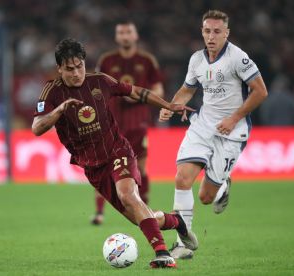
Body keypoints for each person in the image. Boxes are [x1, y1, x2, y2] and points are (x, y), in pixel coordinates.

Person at [31, 38, 197, 268]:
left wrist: (168, 105)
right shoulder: (52, 92)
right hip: (93, 166)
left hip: (118, 151)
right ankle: (176, 220)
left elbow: (136, 92)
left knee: (128, 195)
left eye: (80, 66)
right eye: (70, 69)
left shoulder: (100, 81)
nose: (77, 73)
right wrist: (59, 110)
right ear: (59, 68)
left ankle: (162, 253)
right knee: (141, 216)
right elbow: (37, 128)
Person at [159, 10, 268, 259]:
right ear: (202, 32)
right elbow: (187, 90)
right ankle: (182, 244)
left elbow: (261, 92)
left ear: (226, 33)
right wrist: (170, 106)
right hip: (203, 125)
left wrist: (233, 118)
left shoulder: (238, 58)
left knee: (206, 197)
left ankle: (222, 185)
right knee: (181, 179)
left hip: (232, 131)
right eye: (207, 31)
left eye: (217, 31)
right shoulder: (196, 59)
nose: (211, 36)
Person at [92, 20, 164, 225]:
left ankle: (145, 209)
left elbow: (158, 90)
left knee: (140, 168)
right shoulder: (106, 60)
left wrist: (137, 95)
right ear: (116, 37)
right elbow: (96, 87)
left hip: (137, 123)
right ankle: (99, 212)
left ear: (135, 36)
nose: (124, 36)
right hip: (110, 125)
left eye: (128, 32)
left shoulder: (147, 60)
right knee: (102, 168)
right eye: (121, 32)